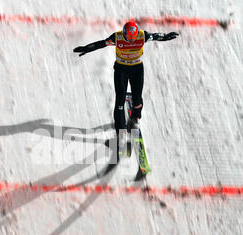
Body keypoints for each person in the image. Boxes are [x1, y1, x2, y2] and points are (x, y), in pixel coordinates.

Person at [73, 21, 179, 157]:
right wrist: (87, 48)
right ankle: (120, 133)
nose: (130, 40)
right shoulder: (117, 37)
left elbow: (156, 36)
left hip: (136, 69)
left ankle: (136, 117)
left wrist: (166, 36)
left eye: (132, 38)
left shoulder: (142, 36)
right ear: (124, 34)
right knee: (119, 103)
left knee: (138, 99)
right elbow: (102, 43)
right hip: (121, 69)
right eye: (128, 37)